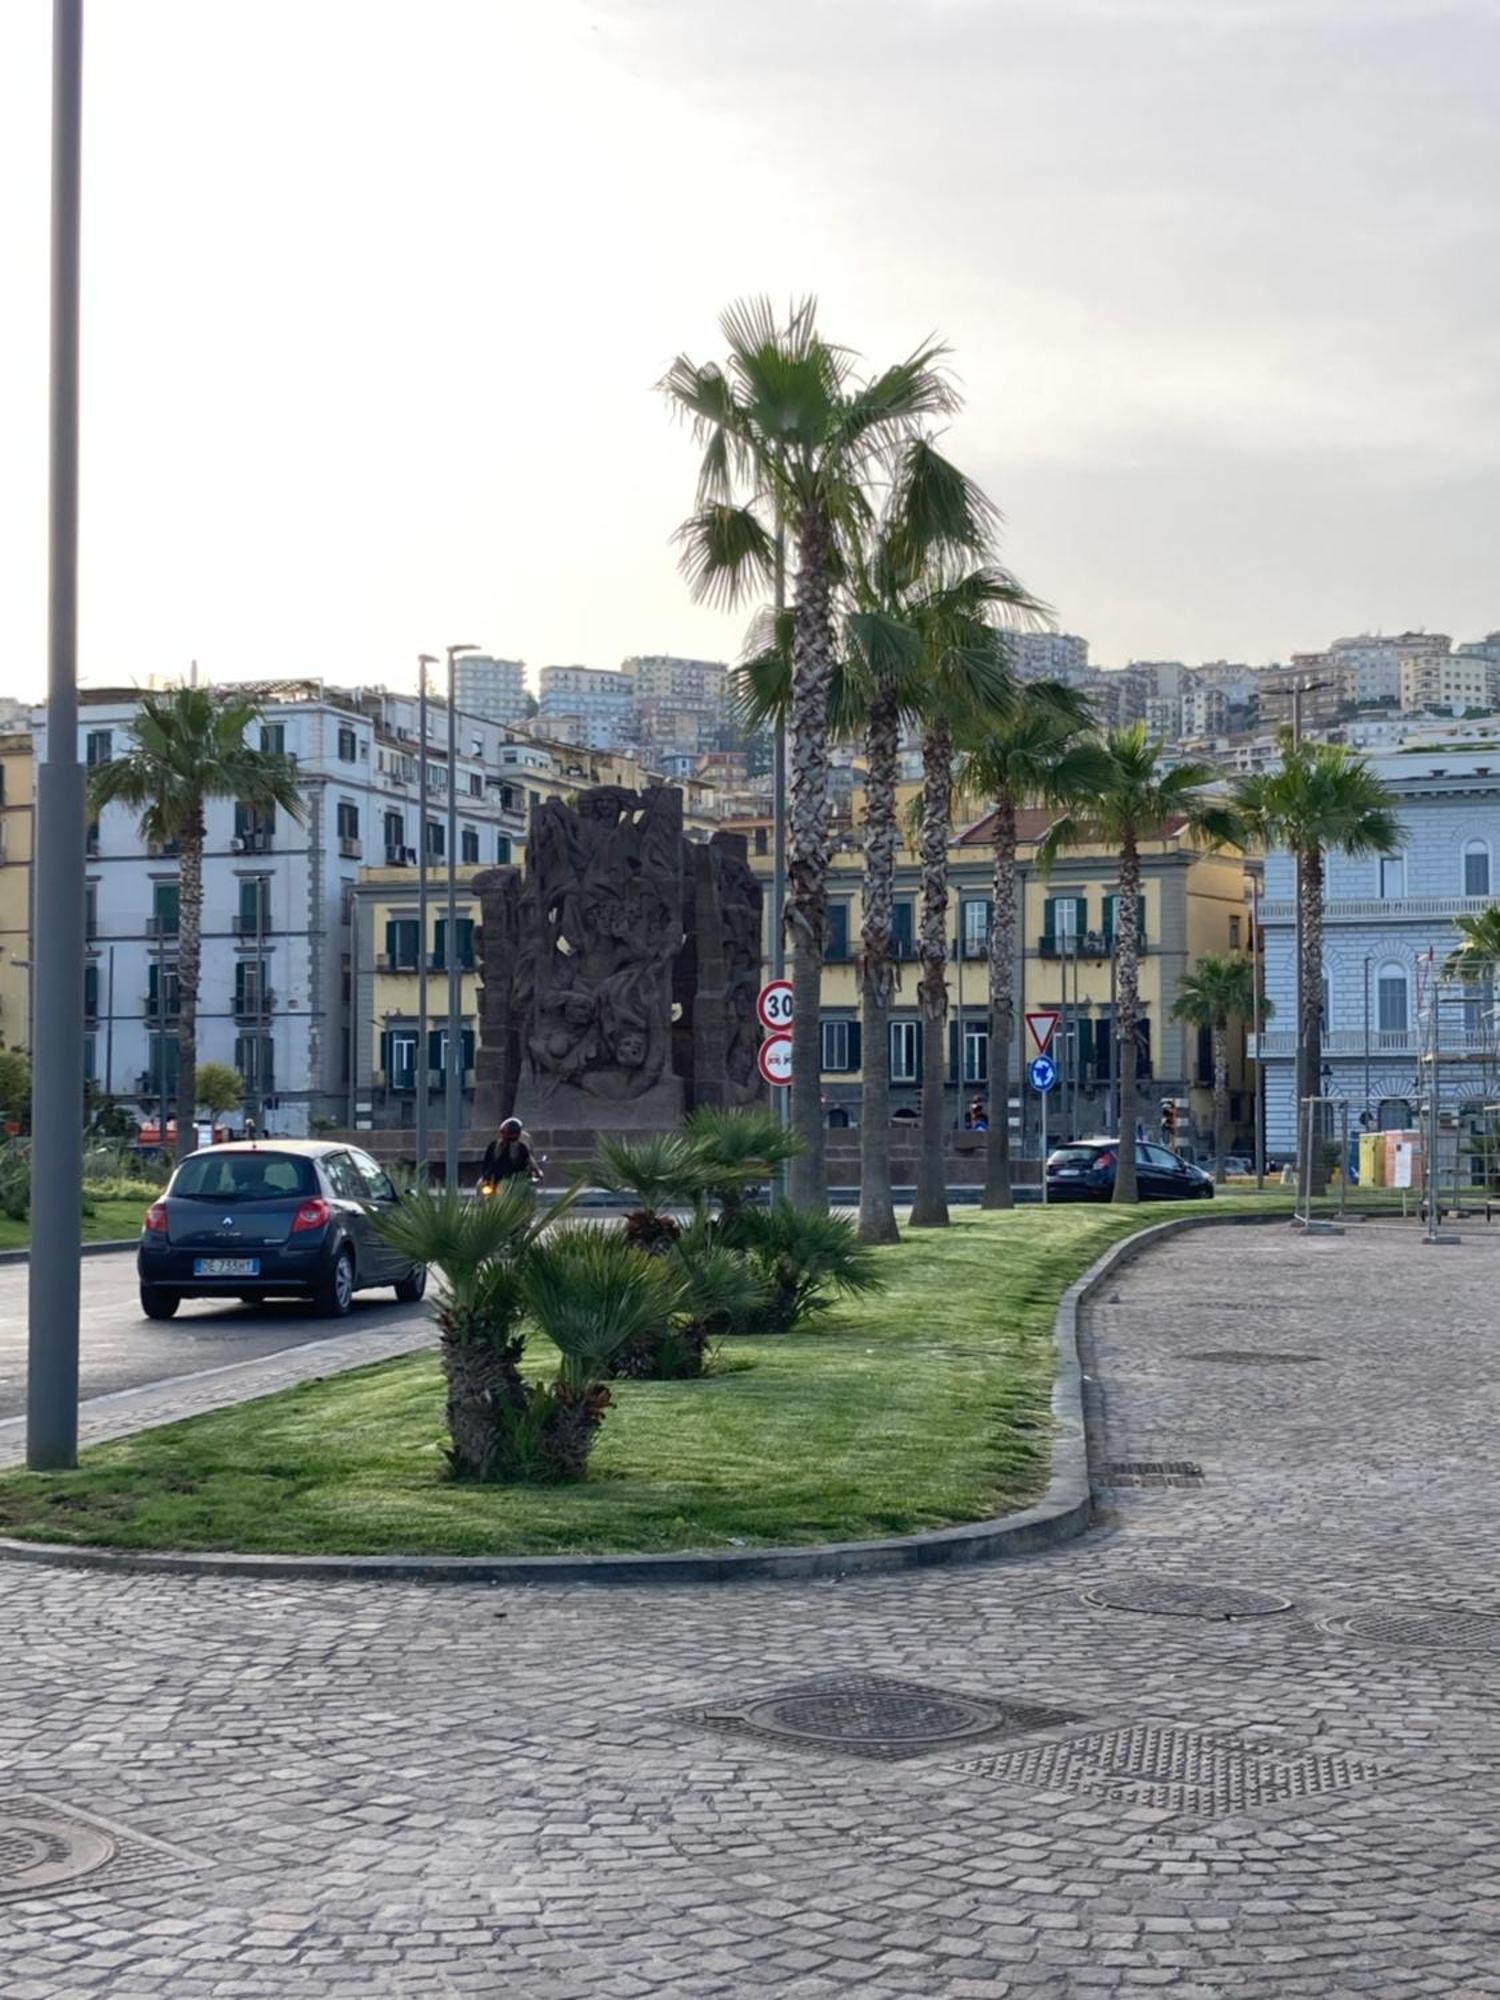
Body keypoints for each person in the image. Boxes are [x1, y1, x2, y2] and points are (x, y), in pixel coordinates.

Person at [481, 1117, 539, 1190]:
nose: (507, 1140)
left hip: (513, 1182)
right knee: (479, 1186)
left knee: (529, 1190)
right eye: (505, 1133)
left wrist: (535, 1173)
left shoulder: (521, 1148)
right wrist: (485, 1176)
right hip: (492, 1180)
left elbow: (527, 1163)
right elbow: (486, 1163)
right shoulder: (493, 1146)